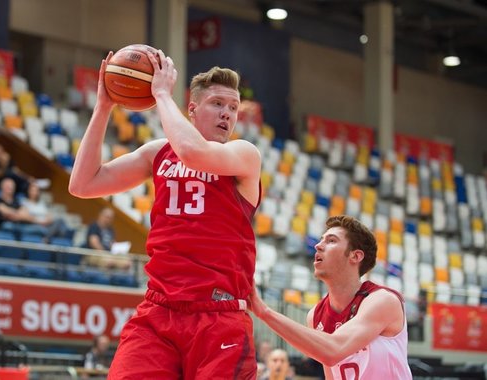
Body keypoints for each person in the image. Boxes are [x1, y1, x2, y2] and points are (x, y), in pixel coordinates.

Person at [69, 49, 262, 379]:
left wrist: (160, 93)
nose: (227, 114)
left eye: (232, 107)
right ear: (192, 109)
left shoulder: (243, 155)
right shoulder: (158, 153)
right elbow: (83, 184)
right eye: (217, 103)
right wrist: (103, 107)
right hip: (159, 310)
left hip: (219, 315)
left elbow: (193, 152)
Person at [250, 215, 412, 380]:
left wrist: (264, 312)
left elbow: (334, 350)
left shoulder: (382, 300)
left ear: (355, 256)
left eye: (331, 241)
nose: (318, 246)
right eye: (321, 240)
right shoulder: (315, 316)